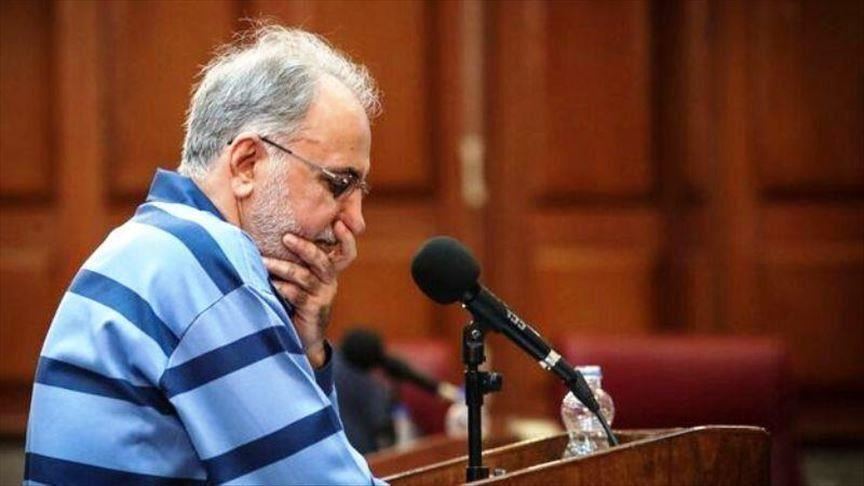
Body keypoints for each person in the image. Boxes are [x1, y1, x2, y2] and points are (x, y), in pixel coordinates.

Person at [24, 25, 384, 485]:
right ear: (247, 164)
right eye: (339, 184)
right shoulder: (205, 266)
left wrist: (308, 352)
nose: (356, 222)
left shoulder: (156, 243)